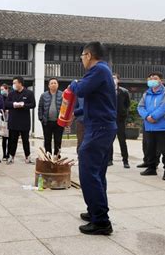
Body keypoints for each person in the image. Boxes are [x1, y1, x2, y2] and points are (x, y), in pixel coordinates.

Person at [69, 41, 117, 235]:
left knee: (88, 173)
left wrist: (74, 83)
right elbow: (95, 102)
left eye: (82, 56)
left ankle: (101, 221)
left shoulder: (97, 70)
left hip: (99, 128)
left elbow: (79, 90)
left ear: (88, 55)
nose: (81, 60)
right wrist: (77, 112)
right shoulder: (103, 71)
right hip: (102, 127)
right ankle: (95, 212)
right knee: (98, 173)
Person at [138, 71, 165, 181]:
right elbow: (140, 107)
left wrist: (154, 116)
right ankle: (151, 168)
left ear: (160, 80)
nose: (152, 80)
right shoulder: (146, 94)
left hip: (163, 126)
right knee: (150, 149)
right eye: (150, 78)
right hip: (149, 126)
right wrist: (147, 116)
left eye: (155, 78)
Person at [5, 76, 36, 164]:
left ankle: (28, 157)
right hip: (13, 120)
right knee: (12, 140)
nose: (13, 84)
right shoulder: (11, 94)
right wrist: (14, 104)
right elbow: (6, 104)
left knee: (25, 140)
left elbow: (33, 104)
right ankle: (11, 157)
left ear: (20, 83)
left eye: (15, 83)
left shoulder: (29, 93)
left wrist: (23, 105)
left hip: (24, 121)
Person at [108, 73, 131, 168]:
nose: (113, 80)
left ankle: (125, 160)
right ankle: (109, 160)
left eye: (114, 78)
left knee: (122, 141)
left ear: (118, 80)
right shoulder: (107, 91)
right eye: (111, 78)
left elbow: (127, 104)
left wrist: (124, 114)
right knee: (109, 141)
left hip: (120, 120)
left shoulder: (124, 92)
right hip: (109, 120)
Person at [38, 78, 63, 155]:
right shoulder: (43, 95)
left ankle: (57, 157)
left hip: (59, 122)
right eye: (51, 83)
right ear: (48, 85)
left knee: (58, 141)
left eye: (55, 83)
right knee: (47, 140)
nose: (53, 84)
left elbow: (66, 107)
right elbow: (40, 107)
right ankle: (48, 157)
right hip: (47, 122)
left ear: (58, 85)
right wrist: (41, 118)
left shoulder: (62, 94)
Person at [0, 83, 10, 160]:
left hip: (11, 119)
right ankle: (4, 154)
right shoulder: (1, 98)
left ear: (7, 89)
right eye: (1, 90)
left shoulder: (11, 96)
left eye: (3, 89)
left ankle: (8, 154)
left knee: (10, 138)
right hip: (4, 119)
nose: (1, 91)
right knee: (4, 138)